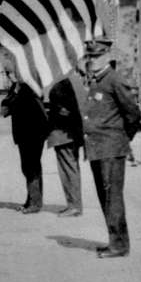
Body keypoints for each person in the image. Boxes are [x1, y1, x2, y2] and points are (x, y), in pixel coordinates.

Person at [81, 38, 141, 258]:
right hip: (98, 148)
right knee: (105, 196)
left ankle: (119, 245)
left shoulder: (114, 80)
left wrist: (122, 139)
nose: (92, 61)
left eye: (96, 57)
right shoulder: (97, 80)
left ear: (107, 56)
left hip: (111, 149)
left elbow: (133, 114)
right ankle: (114, 240)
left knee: (112, 197)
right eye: (89, 57)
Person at [0, 74, 49, 214]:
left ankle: (35, 203)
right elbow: (7, 104)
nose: (9, 75)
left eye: (12, 73)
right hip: (24, 134)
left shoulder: (28, 87)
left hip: (33, 133)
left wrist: (9, 101)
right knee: (29, 167)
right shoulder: (16, 87)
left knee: (31, 167)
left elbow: (16, 104)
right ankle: (31, 201)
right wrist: (7, 101)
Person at [46, 65, 88, 217]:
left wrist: (57, 112)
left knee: (69, 170)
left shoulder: (67, 81)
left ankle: (75, 206)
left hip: (65, 134)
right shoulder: (69, 80)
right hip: (67, 133)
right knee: (68, 169)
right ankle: (73, 204)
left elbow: (76, 109)